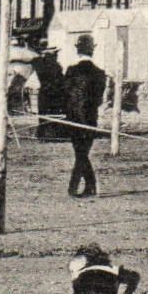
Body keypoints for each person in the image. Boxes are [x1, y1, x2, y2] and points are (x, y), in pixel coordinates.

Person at [62, 34, 108, 198]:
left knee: (80, 152)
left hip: (73, 119)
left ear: (77, 50)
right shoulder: (100, 73)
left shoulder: (71, 71)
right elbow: (99, 99)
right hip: (89, 119)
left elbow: (65, 94)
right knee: (82, 153)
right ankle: (89, 186)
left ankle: (75, 187)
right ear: (93, 50)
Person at [32, 45, 67, 140]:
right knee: (54, 113)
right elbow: (60, 79)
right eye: (55, 53)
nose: (57, 55)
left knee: (44, 114)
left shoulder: (39, 62)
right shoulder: (54, 65)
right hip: (54, 92)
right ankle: (54, 133)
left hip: (45, 92)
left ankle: (44, 134)